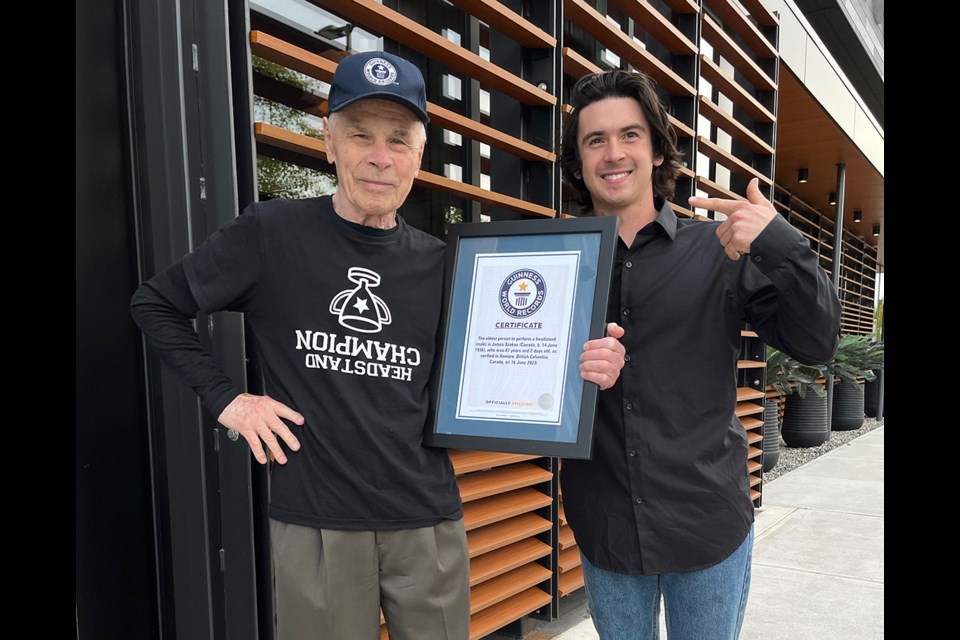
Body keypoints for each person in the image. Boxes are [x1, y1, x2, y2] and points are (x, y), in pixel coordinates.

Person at [130, 51, 625, 640]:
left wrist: (582, 363)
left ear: (419, 153)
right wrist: (230, 402)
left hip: (427, 519)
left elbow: (506, 359)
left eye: (398, 139)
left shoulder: (447, 266)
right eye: (360, 134)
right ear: (330, 140)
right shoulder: (270, 235)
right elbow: (155, 305)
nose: (379, 157)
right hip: (317, 521)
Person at [557, 69, 841, 640]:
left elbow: (817, 343)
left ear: (658, 150)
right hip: (606, 523)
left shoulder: (720, 251)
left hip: (707, 524)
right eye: (595, 140)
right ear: (579, 160)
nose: (614, 153)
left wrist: (780, 241)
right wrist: (575, 371)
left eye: (630, 135)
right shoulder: (555, 265)